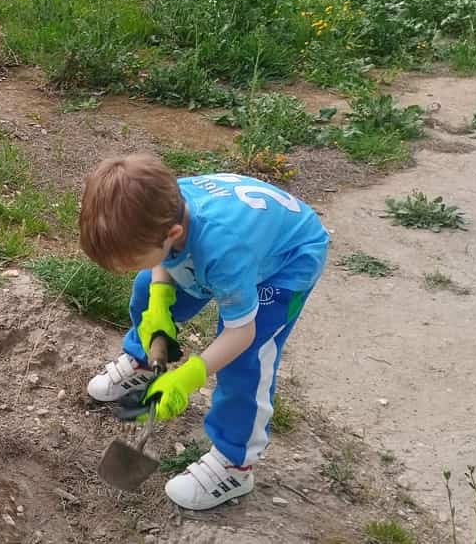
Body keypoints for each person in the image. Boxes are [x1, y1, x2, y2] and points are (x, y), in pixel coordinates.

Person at [77, 156, 329, 511]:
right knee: (148, 286)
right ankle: (145, 361)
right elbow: (162, 258)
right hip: (225, 241)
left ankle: (234, 464)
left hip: (286, 260)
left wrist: (188, 377)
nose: (135, 266)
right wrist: (160, 302)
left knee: (247, 359)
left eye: (138, 257)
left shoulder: (223, 250)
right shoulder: (160, 206)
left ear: (174, 235)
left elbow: (241, 333)